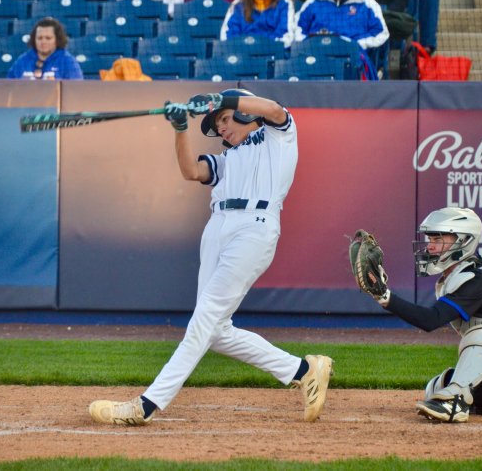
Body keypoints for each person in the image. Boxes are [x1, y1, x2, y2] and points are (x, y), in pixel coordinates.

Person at [88, 89, 334, 426]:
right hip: (217, 228)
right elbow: (190, 170)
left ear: (245, 114)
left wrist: (222, 98)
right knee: (215, 332)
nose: (220, 128)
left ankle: (147, 404)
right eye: (216, 123)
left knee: (203, 319)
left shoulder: (278, 136)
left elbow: (273, 108)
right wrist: (179, 129)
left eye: (225, 119)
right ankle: (303, 370)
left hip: (254, 226)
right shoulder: (225, 160)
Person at [351, 208, 482, 423]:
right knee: (437, 387)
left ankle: (455, 403)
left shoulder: (475, 280)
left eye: (438, 238)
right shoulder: (459, 276)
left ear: (464, 240)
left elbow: (430, 320)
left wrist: (385, 296)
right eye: (430, 238)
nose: (430, 245)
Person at [295, 0, 389, 79]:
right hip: (317, 53)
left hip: (351, 55)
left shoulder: (367, 3)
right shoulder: (314, 0)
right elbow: (297, 26)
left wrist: (358, 43)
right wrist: (308, 43)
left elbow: (382, 33)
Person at [7, 17, 83, 80]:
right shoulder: (22, 61)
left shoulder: (68, 62)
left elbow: (75, 90)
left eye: (48, 38)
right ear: (34, 39)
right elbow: (9, 87)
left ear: (57, 39)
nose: (43, 42)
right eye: (40, 38)